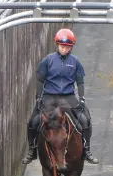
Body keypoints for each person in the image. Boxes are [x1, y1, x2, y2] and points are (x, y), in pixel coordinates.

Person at [22, 28, 99, 165]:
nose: (64, 49)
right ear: (57, 45)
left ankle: (86, 150)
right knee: (33, 121)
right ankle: (32, 150)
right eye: (62, 46)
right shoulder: (48, 60)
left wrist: (81, 98)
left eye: (67, 47)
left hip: (67, 97)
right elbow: (40, 79)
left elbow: (80, 81)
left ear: (71, 47)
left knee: (85, 119)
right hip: (49, 96)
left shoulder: (75, 62)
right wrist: (38, 97)